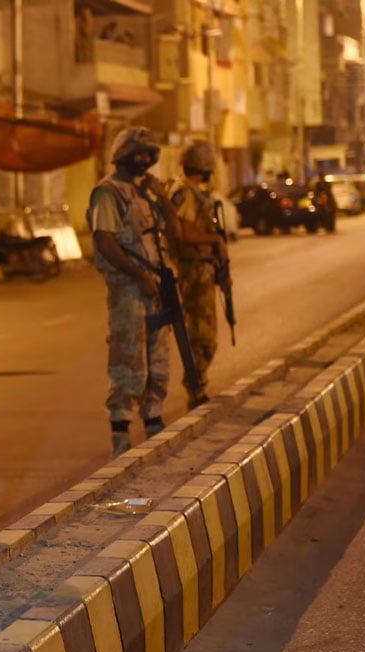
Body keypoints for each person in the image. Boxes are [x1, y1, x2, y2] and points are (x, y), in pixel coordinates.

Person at [88, 126, 181, 457]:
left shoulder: (144, 194)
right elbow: (105, 241)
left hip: (154, 285)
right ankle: (121, 436)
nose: (143, 159)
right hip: (128, 289)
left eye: (148, 154)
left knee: (158, 358)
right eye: (137, 153)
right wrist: (138, 275)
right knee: (128, 360)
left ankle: (154, 421)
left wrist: (163, 199)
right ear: (122, 155)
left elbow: (174, 231)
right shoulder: (107, 192)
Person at [170, 140, 230, 409]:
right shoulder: (185, 193)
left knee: (206, 335)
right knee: (201, 335)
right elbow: (185, 232)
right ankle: (196, 389)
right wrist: (215, 240)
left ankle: (198, 385)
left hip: (203, 269)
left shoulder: (196, 193)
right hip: (193, 271)